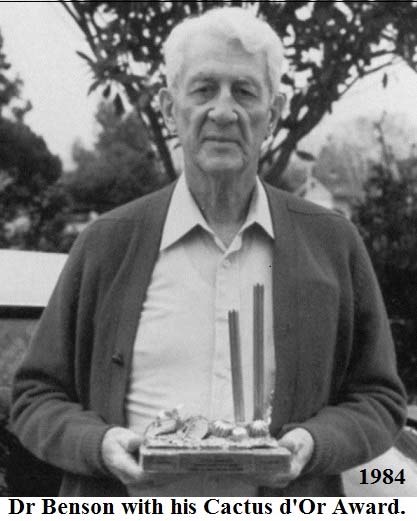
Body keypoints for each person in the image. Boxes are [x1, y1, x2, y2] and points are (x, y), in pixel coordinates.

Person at [10, 7, 406, 497]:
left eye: (244, 91)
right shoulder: (106, 245)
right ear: (167, 106)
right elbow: (35, 397)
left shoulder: (333, 245)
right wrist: (100, 443)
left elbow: (379, 397)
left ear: (275, 112)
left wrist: (313, 442)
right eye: (203, 89)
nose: (223, 111)